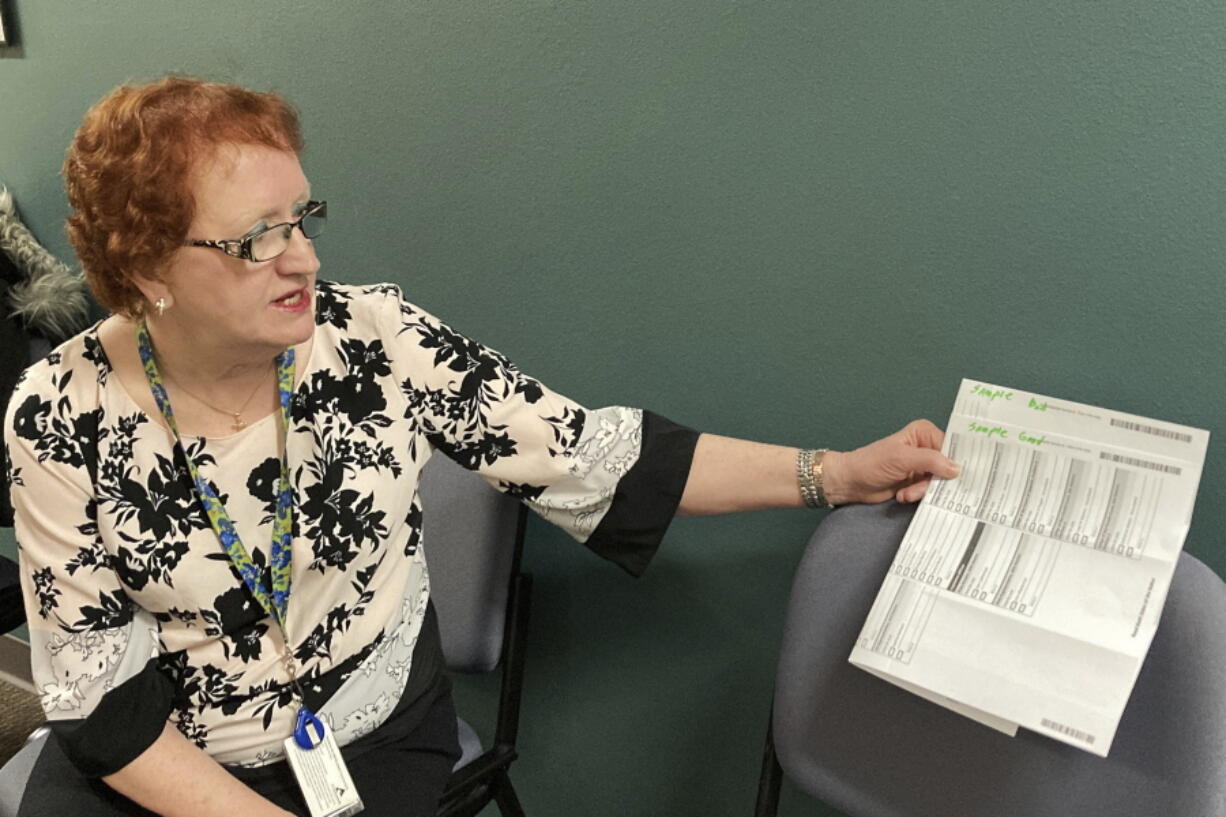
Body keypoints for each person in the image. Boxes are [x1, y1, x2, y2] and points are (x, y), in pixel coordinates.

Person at [3, 76, 960, 817]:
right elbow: (97, 693)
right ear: (142, 269)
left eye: (304, 217)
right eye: (258, 238)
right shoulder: (59, 411)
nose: (306, 258)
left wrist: (834, 474)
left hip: (366, 734)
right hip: (158, 755)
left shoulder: (375, 339)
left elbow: (592, 459)